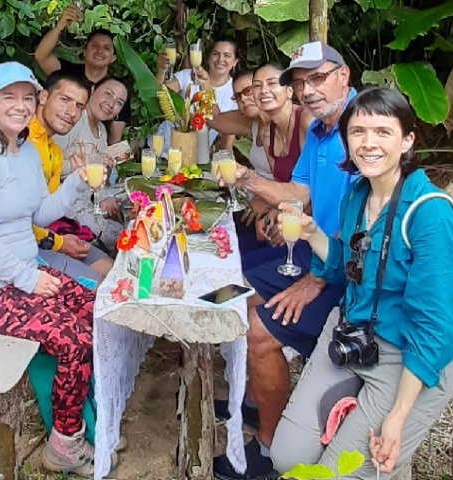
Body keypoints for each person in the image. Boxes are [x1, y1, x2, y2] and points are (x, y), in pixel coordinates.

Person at [268, 87, 453, 478]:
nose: (368, 143)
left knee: (339, 474)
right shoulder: (358, 195)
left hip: (408, 356)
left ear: (407, 141)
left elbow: (434, 330)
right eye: (358, 132)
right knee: (286, 459)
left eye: (382, 132)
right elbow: (342, 270)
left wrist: (398, 416)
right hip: (353, 337)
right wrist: (313, 233)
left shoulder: (429, 215)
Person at [0, 62, 112, 474]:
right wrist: (28, 278)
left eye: (25, 96)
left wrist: (76, 181)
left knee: (98, 309)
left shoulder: (26, 151)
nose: (18, 106)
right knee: (72, 339)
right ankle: (66, 443)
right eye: (7, 97)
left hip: (25, 274)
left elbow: (41, 210)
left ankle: (91, 418)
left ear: (34, 99)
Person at [212, 42, 357, 480]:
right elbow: (299, 195)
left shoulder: (363, 125)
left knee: (259, 329)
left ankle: (268, 449)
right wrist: (251, 181)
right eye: (300, 81)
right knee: (231, 295)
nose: (308, 89)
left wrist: (318, 277)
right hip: (316, 257)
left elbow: (369, 224)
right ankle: (256, 396)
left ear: (344, 75)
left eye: (317, 78)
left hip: (348, 273)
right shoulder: (320, 132)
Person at [206, 64, 313, 258]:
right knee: (219, 247)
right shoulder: (267, 131)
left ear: (290, 90)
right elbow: (280, 184)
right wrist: (270, 210)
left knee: (241, 261)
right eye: (256, 86)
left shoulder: (306, 121)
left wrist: (282, 215)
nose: (263, 90)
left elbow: (321, 189)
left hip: (311, 228)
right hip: (280, 214)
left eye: (272, 83)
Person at [28, 70, 114, 281]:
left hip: (48, 232)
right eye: (64, 100)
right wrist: (58, 243)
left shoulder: (54, 152)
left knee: (112, 270)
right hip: (23, 247)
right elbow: (13, 221)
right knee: (103, 287)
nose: (71, 112)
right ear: (44, 97)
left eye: (79, 106)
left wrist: (79, 180)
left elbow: (44, 212)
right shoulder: (23, 141)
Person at [53, 77, 129, 251]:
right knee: (127, 236)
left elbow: (95, 182)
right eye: (107, 94)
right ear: (93, 90)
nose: (111, 103)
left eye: (118, 102)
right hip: (70, 209)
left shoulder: (101, 130)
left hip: (89, 200)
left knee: (133, 193)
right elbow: (47, 167)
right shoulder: (74, 121)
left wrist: (102, 200)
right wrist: (82, 165)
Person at [34, 5, 129, 144]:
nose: (100, 51)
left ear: (113, 58)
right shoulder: (68, 75)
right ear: (84, 51)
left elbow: (113, 142)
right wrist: (60, 26)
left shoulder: (117, 92)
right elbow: (41, 56)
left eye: (106, 48)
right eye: (94, 46)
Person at [152, 39, 239, 153]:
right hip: (162, 150)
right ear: (208, 58)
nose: (220, 59)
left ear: (235, 62)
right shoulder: (187, 75)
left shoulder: (235, 93)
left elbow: (227, 143)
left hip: (196, 159)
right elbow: (158, 96)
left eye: (227, 55)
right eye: (215, 54)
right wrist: (162, 70)